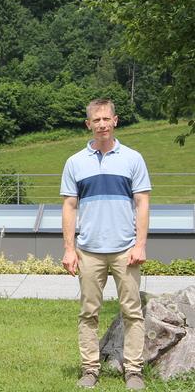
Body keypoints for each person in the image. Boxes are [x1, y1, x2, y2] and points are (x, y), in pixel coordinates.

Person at [60, 99, 151, 390]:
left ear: (115, 121)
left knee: (133, 312)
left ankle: (134, 371)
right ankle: (90, 369)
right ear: (88, 124)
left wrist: (140, 245)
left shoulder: (133, 159)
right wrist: (69, 249)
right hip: (88, 251)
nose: (101, 124)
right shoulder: (75, 162)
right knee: (88, 313)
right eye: (96, 120)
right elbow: (69, 207)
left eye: (106, 119)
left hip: (126, 250)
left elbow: (142, 203)